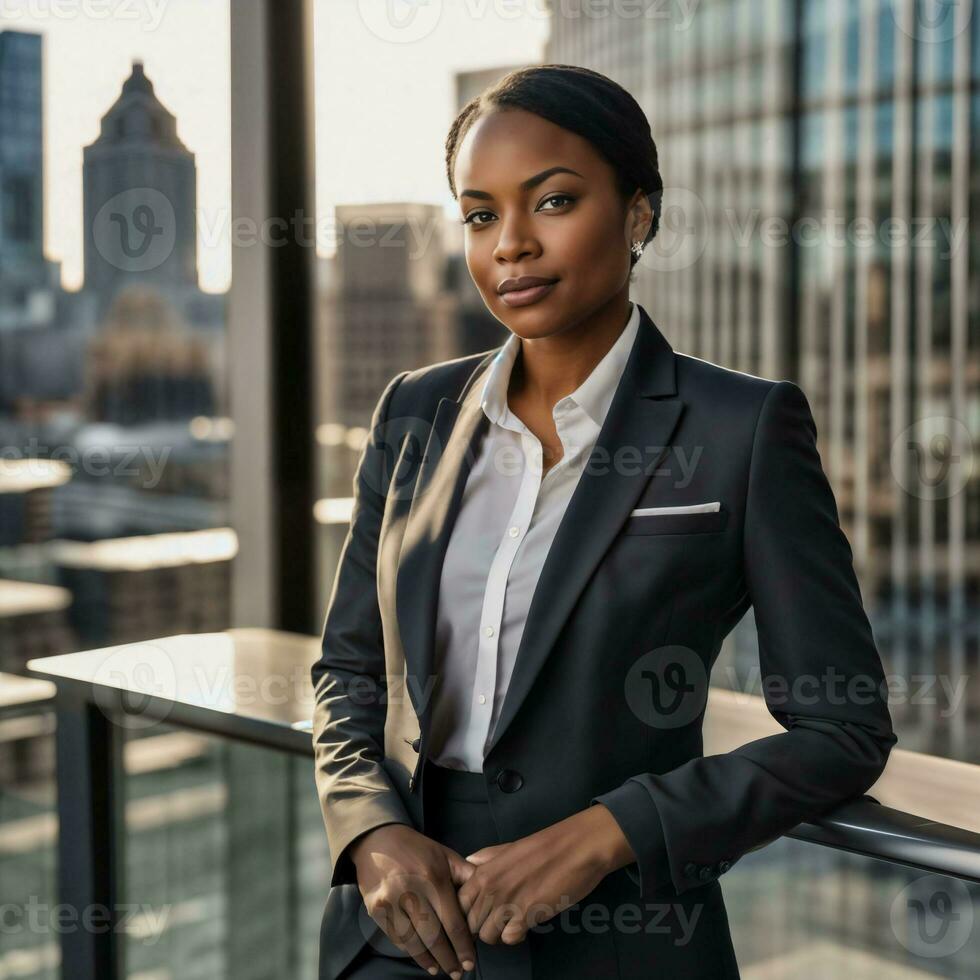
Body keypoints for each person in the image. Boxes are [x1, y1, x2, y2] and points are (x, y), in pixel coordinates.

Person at [312, 64, 897, 980]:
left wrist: (612, 832)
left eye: (552, 201)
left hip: (623, 939)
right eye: (479, 214)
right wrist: (370, 828)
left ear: (638, 214)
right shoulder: (415, 412)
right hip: (405, 935)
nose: (510, 245)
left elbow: (843, 728)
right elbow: (349, 667)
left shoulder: (740, 428)